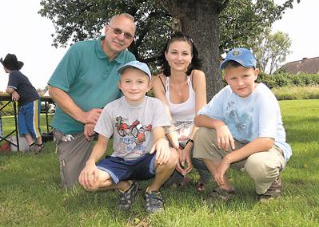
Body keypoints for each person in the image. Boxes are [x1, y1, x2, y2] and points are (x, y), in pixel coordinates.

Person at [48, 13, 136, 188]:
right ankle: (124, 184)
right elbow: (55, 89)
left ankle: (135, 168)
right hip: (71, 127)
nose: (121, 37)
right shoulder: (79, 50)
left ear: (131, 40)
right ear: (106, 29)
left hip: (106, 124)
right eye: (117, 31)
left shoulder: (129, 61)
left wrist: (97, 120)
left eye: (127, 35)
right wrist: (83, 116)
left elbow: (127, 101)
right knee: (78, 185)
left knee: (139, 132)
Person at [193, 48, 292, 202]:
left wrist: (228, 158)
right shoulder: (226, 93)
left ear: (256, 73)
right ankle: (224, 187)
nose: (240, 83)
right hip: (241, 146)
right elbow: (198, 119)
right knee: (202, 135)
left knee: (258, 164)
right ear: (226, 78)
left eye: (245, 76)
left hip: (269, 149)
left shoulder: (264, 96)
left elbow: (266, 141)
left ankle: (270, 186)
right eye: (233, 78)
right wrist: (218, 124)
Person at [79, 61, 178, 213]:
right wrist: (90, 162)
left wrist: (162, 141)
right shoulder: (110, 108)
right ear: (120, 85)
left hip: (146, 158)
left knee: (171, 155)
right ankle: (126, 186)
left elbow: (159, 134)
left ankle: (153, 191)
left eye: (140, 82)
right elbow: (101, 143)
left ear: (149, 85)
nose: (133, 87)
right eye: (128, 81)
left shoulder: (155, 105)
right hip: (120, 161)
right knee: (88, 181)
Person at [152, 32, 210, 191]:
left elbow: (201, 116)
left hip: (195, 128)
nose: (179, 58)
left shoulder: (198, 76)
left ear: (191, 57)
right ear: (166, 54)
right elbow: (165, 117)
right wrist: (177, 148)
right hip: (171, 130)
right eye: (174, 52)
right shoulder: (158, 81)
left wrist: (189, 145)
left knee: (205, 141)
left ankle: (206, 176)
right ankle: (177, 175)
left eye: (185, 53)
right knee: (163, 145)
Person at [0, 53, 43, 153]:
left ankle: (40, 146)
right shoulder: (14, 74)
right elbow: (12, 89)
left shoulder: (14, 73)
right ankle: (32, 147)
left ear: (6, 66)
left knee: (32, 125)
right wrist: (14, 90)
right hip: (22, 104)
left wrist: (12, 90)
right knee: (22, 126)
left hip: (31, 101)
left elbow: (9, 89)